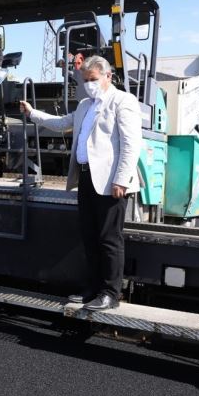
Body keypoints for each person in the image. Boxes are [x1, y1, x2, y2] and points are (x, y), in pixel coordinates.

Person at [19, 55, 142, 310]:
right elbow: (62, 123)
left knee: (109, 239)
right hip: (86, 178)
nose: (89, 84)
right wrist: (32, 114)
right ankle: (94, 289)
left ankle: (110, 293)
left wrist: (122, 179)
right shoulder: (86, 105)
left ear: (108, 76)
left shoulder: (123, 101)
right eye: (85, 80)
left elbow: (131, 145)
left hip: (111, 182)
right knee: (90, 237)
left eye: (93, 79)